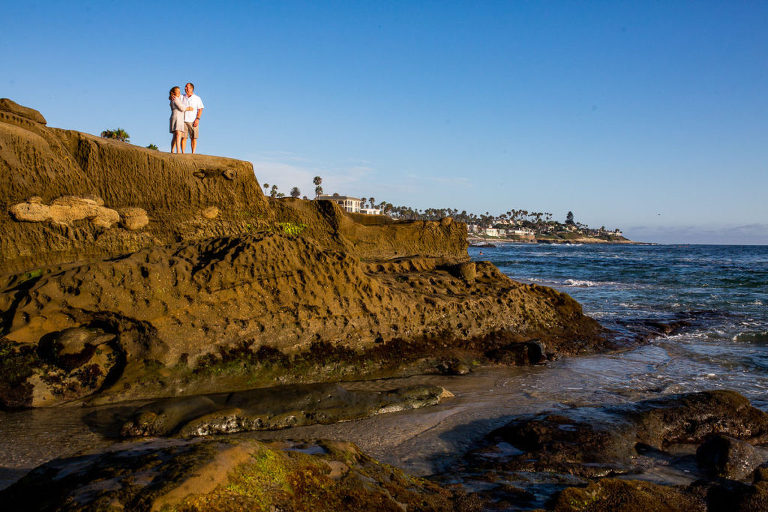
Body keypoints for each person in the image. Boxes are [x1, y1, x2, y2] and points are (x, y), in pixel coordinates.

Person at [181, 82, 204, 154]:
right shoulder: (182, 96)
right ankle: (183, 153)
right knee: (183, 138)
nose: (185, 88)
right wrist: (171, 96)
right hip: (183, 120)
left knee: (193, 138)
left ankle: (193, 153)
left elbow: (200, 109)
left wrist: (197, 119)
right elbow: (173, 97)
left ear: (191, 88)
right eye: (185, 87)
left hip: (193, 120)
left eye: (186, 87)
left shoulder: (197, 98)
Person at [169, 86, 193, 154]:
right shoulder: (176, 99)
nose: (179, 92)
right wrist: (188, 108)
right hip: (178, 117)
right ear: (174, 92)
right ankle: (178, 151)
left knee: (175, 135)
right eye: (177, 91)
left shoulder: (174, 99)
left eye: (179, 91)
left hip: (175, 116)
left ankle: (172, 150)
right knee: (178, 134)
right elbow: (181, 108)